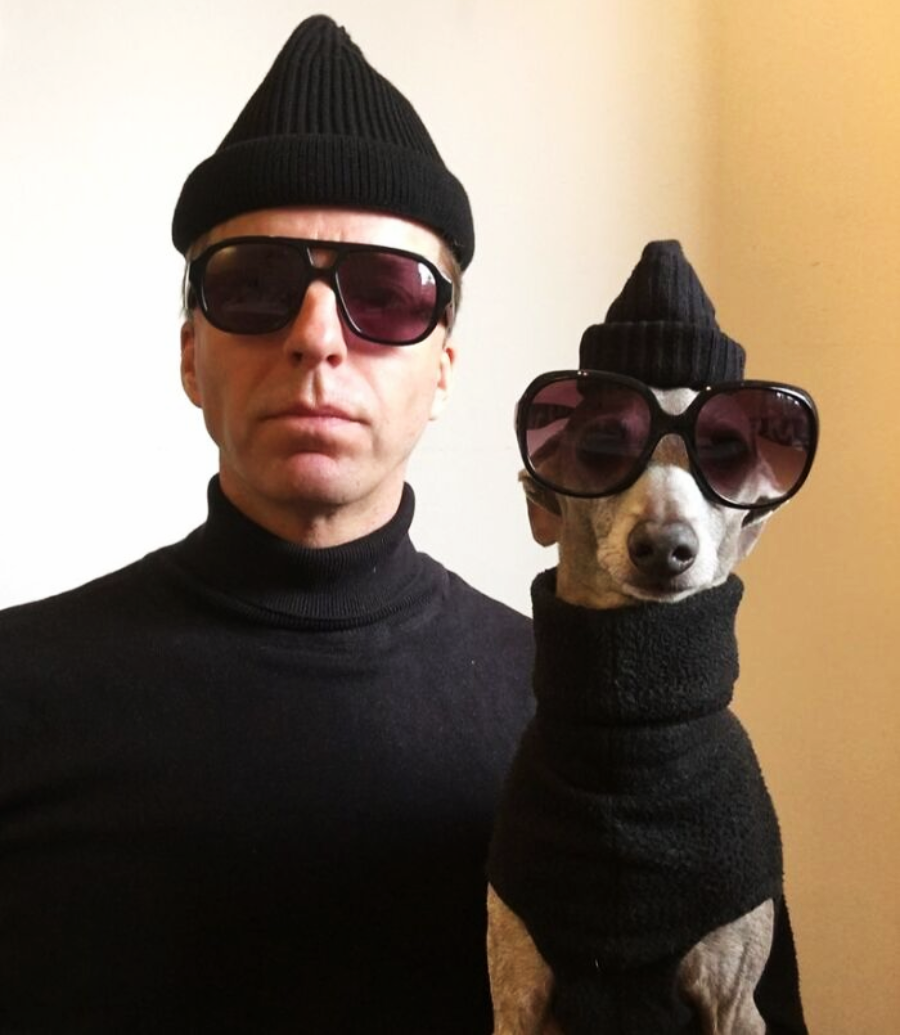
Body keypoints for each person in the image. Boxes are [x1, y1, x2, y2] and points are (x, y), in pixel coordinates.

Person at [0, 16, 534, 1034]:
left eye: (387, 293)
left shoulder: (573, 721)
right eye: (255, 286)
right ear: (191, 350)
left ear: (445, 368)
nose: (317, 338)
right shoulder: (17, 689)